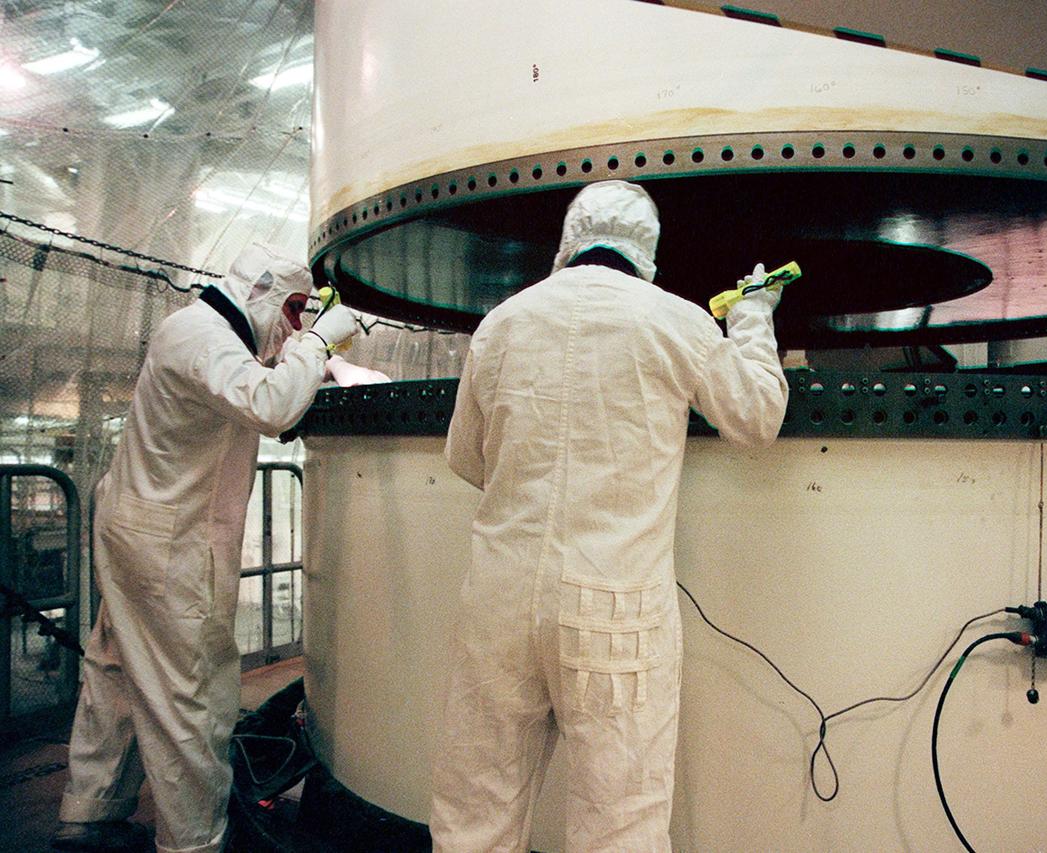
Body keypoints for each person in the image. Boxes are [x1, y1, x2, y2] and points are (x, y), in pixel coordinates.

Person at [431, 180, 788, 851]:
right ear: (646, 249)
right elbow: (756, 415)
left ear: (570, 239)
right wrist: (752, 314)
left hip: (500, 599)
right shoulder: (674, 320)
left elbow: (468, 458)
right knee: (618, 822)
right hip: (612, 611)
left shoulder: (502, 323)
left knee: (475, 810)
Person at [53, 242, 372, 853]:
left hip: (141, 529)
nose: (293, 326)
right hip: (168, 546)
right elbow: (270, 404)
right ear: (261, 293)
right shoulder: (203, 338)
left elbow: (257, 399)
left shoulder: (202, 334)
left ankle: (90, 811)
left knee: (117, 672)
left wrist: (308, 362)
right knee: (189, 693)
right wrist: (319, 344)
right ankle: (194, 840)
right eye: (293, 309)